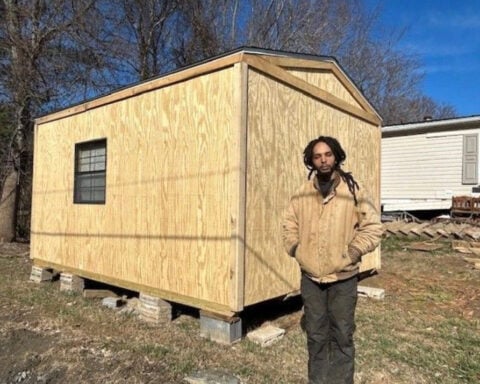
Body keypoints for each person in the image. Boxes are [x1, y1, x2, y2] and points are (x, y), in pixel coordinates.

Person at [282, 136, 383, 384]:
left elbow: (373, 227)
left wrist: (353, 252)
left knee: (342, 335)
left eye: (327, 154)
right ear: (311, 161)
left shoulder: (353, 191)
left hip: (343, 278)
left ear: (336, 156)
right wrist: (296, 248)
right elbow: (288, 224)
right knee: (316, 336)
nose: (323, 160)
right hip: (311, 279)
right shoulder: (302, 193)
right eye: (317, 156)